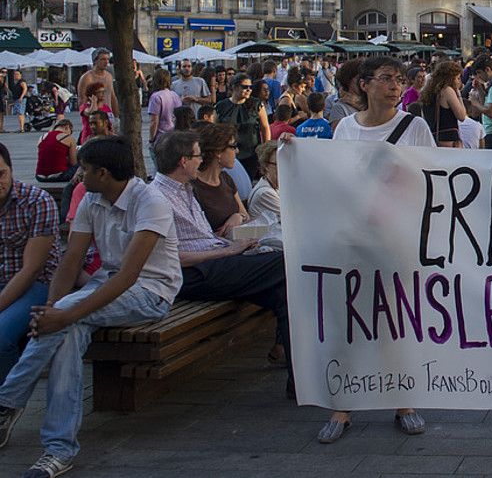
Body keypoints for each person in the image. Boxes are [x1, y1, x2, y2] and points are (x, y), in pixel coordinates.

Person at [0, 136, 180, 478]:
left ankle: (7, 400)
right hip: (101, 287)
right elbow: (70, 261)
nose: (78, 176)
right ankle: (59, 450)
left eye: (83, 169)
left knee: (68, 320)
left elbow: (128, 276)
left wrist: (64, 313)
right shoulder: (91, 200)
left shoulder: (150, 202)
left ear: (102, 172)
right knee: (67, 333)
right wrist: (53, 308)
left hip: (150, 293)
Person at [318, 55, 432, 443]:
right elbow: (333, 179)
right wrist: (292, 152)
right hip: (353, 239)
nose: (395, 86)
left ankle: (404, 401)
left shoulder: (415, 127)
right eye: (386, 79)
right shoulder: (345, 129)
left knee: (396, 321)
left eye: (400, 79)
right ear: (363, 85)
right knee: (348, 322)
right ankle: (343, 405)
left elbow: (433, 179)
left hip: (397, 241)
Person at [148, 131, 293, 398]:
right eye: (196, 156)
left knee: (285, 293)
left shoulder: (185, 190)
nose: (200, 160)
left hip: (215, 259)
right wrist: (227, 252)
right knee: (286, 263)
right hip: (192, 274)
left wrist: (231, 239)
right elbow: (167, 258)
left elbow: (200, 238)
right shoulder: (156, 198)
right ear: (183, 161)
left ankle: (299, 380)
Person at [0, 143, 64, 381]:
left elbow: (32, 268)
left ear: (11, 170)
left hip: (36, 285)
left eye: (1, 174)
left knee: (1, 336)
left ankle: (8, 402)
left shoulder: (36, 201)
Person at [191, 122, 252, 236]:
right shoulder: (193, 187)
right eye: (233, 146)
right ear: (218, 151)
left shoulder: (225, 178)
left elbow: (246, 216)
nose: (237, 151)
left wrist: (238, 216)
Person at [215, 73, 270, 179]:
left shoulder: (256, 104)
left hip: (251, 152)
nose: (249, 90)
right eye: (245, 87)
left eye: (251, 87)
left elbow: (265, 127)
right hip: (228, 152)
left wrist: (265, 148)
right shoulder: (221, 106)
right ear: (235, 87)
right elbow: (216, 129)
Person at [420, 61, 468, 148]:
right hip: (448, 139)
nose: (459, 81)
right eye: (457, 78)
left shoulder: (426, 92)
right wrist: (459, 94)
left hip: (432, 137)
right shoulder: (447, 90)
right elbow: (462, 116)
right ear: (450, 78)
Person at [323, 59, 364, 128]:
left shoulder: (371, 101)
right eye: (359, 78)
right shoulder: (340, 108)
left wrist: (359, 105)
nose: (363, 81)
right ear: (349, 80)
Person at [34, 120, 78, 184]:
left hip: (40, 176)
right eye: (70, 132)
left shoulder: (42, 137)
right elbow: (73, 162)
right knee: (81, 164)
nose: (70, 134)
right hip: (59, 176)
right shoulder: (69, 138)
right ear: (67, 127)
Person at [146, 69, 181, 147]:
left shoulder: (156, 97)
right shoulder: (175, 95)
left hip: (161, 137)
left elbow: (154, 121)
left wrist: (151, 139)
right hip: (174, 134)